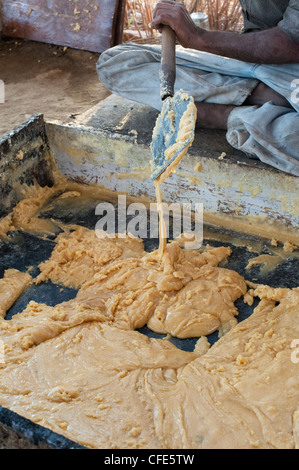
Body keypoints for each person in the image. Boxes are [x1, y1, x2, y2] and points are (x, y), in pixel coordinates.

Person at [97, 0, 299, 176]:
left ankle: (225, 116)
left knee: (293, 132)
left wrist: (198, 37)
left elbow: (291, 41)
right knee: (116, 62)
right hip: (249, 63)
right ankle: (261, 95)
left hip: (291, 68)